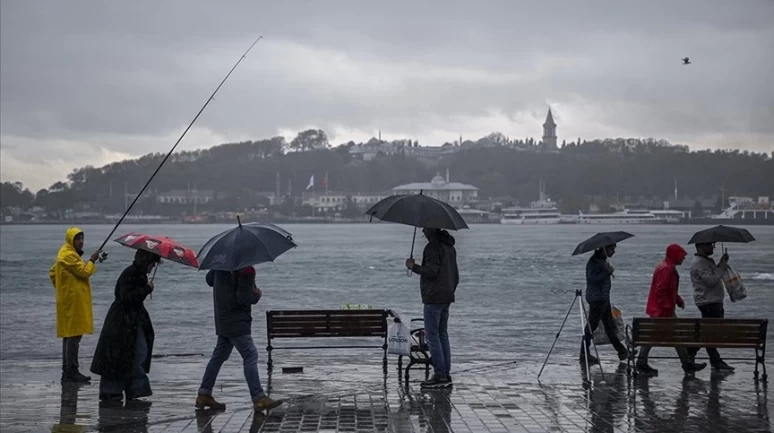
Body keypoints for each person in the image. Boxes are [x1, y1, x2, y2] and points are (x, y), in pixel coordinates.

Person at [195, 266, 283, 412]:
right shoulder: (246, 270)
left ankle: (204, 393)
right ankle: (258, 397)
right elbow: (243, 299)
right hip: (238, 322)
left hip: (223, 320)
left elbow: (209, 280)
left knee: (218, 357)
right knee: (250, 355)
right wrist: (256, 295)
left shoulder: (220, 266)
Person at [90, 249, 160, 401]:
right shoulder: (131, 274)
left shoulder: (136, 273)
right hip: (122, 322)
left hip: (128, 321)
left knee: (133, 354)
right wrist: (147, 289)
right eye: (153, 263)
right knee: (129, 355)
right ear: (146, 261)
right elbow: (127, 297)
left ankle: (129, 389)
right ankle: (122, 390)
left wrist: (145, 288)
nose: (153, 266)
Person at [636, 244, 707, 375]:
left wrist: (677, 300)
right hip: (662, 312)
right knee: (669, 336)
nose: (683, 259)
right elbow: (661, 291)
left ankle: (642, 362)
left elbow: (668, 290)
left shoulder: (667, 267)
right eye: (682, 256)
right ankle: (686, 364)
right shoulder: (666, 269)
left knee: (661, 336)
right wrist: (668, 306)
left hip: (661, 310)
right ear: (675, 255)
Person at [405, 228, 459, 388]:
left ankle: (440, 375)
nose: (423, 231)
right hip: (447, 296)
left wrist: (413, 266)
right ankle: (445, 373)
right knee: (442, 335)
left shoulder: (433, 248)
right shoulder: (450, 248)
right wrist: (449, 290)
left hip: (433, 297)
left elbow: (432, 271)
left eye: (425, 229)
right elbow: (456, 275)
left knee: (432, 336)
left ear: (430, 231)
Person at [49, 227, 101, 383]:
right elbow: (84, 272)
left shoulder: (66, 253)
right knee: (74, 336)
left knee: (69, 335)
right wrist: (92, 260)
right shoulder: (69, 255)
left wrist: (64, 287)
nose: (81, 242)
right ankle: (72, 371)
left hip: (68, 300)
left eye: (82, 238)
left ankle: (67, 370)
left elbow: (52, 272)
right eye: (78, 239)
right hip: (72, 302)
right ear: (71, 240)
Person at [687, 242, 734, 371]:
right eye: (709, 245)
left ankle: (709, 357)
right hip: (708, 302)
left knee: (711, 332)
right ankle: (707, 357)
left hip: (713, 301)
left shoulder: (705, 261)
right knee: (710, 333)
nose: (712, 247)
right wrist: (722, 267)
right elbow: (711, 281)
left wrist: (721, 263)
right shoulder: (699, 263)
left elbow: (713, 274)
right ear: (700, 247)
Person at [580, 244, 630, 364]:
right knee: (592, 326)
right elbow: (592, 280)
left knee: (609, 325)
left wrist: (607, 271)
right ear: (604, 249)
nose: (614, 251)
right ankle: (583, 353)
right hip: (596, 298)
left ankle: (622, 352)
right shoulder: (594, 262)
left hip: (603, 298)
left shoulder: (601, 260)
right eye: (611, 249)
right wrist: (607, 272)